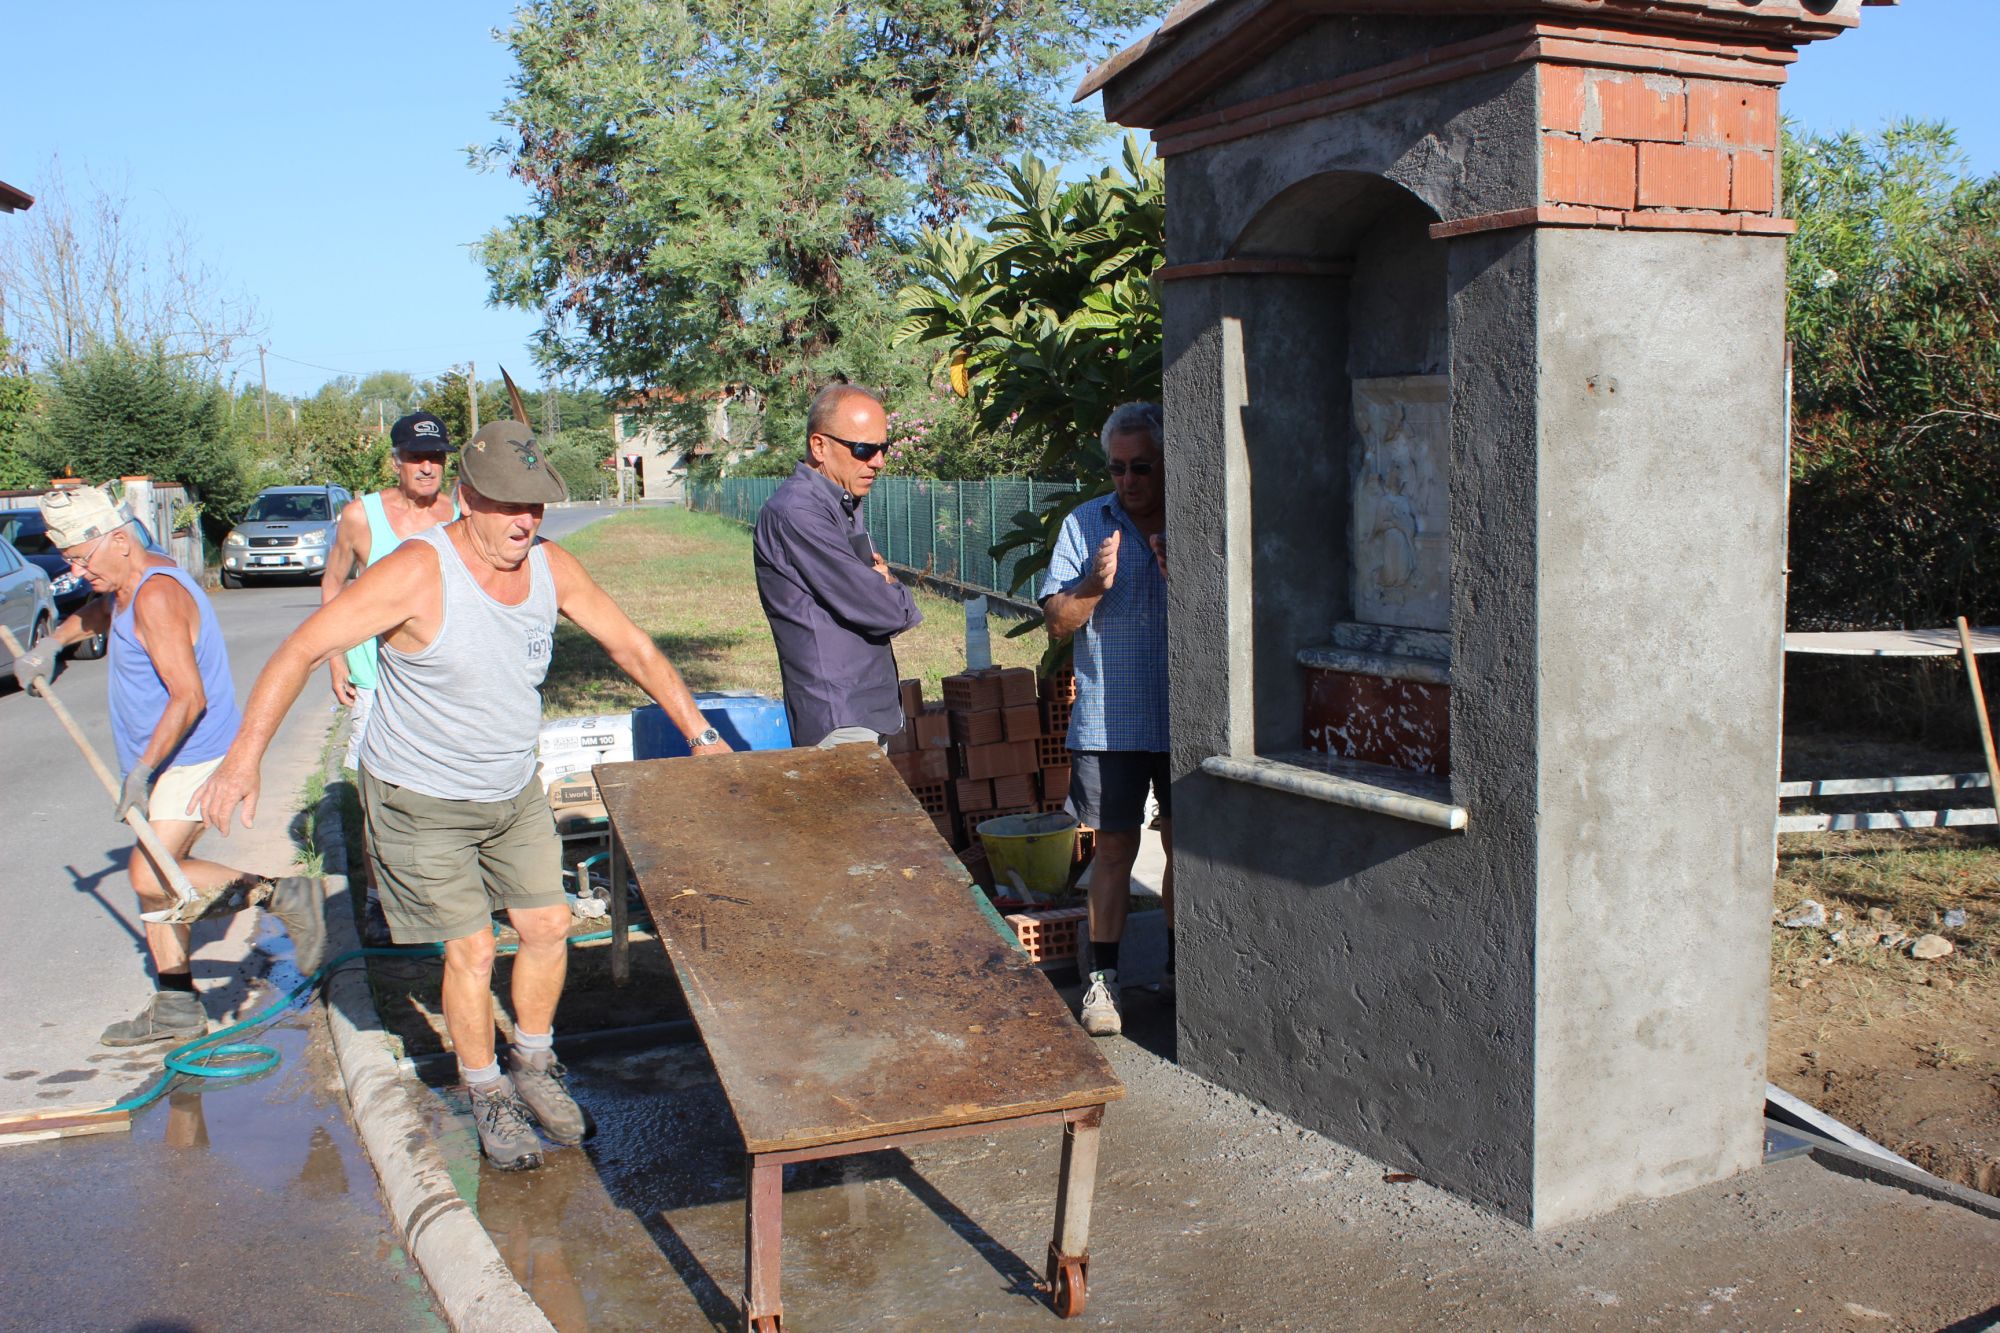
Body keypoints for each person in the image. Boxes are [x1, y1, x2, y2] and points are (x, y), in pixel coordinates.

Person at [195, 421, 732, 1171]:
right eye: (509, 506)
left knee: (547, 925)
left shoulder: (551, 566)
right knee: (472, 947)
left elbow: (631, 645)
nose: (525, 522)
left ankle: (535, 1065)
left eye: (537, 507)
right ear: (466, 496)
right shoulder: (417, 570)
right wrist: (243, 760)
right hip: (421, 793)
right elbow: (301, 646)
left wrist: (702, 736)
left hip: (509, 783)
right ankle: (486, 1092)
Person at [11, 486, 323, 1046]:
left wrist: (143, 769)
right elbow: (101, 612)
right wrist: (51, 645)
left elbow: (188, 697)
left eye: (83, 560)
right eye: (72, 564)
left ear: (118, 541)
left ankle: (286, 896)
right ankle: (176, 1005)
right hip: (166, 763)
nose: (79, 574)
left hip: (195, 759)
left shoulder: (156, 596)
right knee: (153, 882)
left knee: (149, 872)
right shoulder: (128, 586)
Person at [1040, 402, 1173, 1038]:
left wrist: (1188, 577)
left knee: (1187, 847)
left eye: (1140, 467)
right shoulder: (1086, 523)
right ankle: (1104, 980)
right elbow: (1057, 623)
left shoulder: (1195, 516)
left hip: (1186, 717)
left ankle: (1182, 969)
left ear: (1166, 462)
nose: (1127, 481)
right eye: (1117, 469)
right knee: (1114, 847)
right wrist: (1093, 582)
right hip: (1111, 720)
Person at [752, 383, 922, 748]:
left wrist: (882, 585)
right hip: (839, 718)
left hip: (861, 711)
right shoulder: (799, 512)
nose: (878, 461)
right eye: (863, 449)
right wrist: (892, 590)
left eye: (882, 448)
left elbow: (870, 595)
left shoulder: (838, 505)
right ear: (819, 446)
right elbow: (881, 609)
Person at [322, 410, 458, 771]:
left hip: (439, 674)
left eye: (437, 458)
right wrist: (336, 660)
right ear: (396, 462)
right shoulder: (360, 516)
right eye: (416, 458)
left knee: (437, 773)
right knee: (373, 775)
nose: (428, 467)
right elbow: (333, 582)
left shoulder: (458, 516)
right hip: (374, 675)